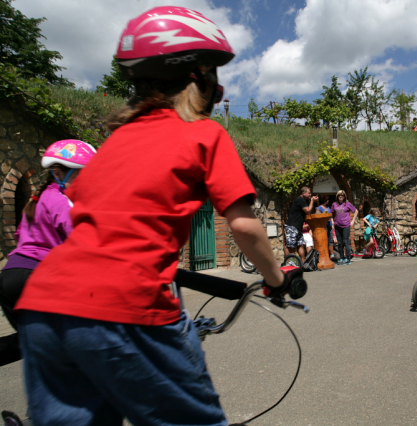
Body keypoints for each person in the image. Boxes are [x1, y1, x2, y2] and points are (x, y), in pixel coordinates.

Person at [15, 7, 302, 426]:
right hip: (126, 306)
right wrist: (277, 279)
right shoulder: (203, 134)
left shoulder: (112, 144)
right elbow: (241, 224)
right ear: (197, 80)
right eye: (213, 81)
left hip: (43, 306)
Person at [0, 140, 96, 331]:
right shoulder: (62, 200)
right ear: (58, 173)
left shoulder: (38, 200)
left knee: (32, 346)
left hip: (9, 277)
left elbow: (21, 236)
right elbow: (82, 238)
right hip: (36, 276)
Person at [284, 187, 318, 263]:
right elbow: (308, 211)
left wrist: (311, 199)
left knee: (301, 244)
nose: (310, 194)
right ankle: (285, 263)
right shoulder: (300, 199)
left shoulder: (304, 200)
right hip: (292, 226)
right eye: (309, 193)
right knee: (290, 245)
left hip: (298, 227)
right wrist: (312, 200)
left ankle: (303, 263)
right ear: (303, 193)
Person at [331, 190, 358, 265]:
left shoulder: (348, 204)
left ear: (344, 196)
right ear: (337, 196)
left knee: (346, 242)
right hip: (337, 225)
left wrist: (353, 221)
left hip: (346, 225)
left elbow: (356, 211)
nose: (340, 196)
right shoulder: (334, 204)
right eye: (339, 195)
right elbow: (331, 213)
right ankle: (342, 258)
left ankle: (348, 258)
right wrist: (332, 222)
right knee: (339, 243)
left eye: (342, 195)